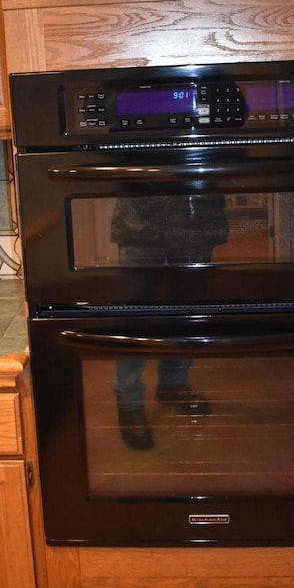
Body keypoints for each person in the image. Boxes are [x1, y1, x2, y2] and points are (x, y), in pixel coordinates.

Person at [111, 193, 229, 450]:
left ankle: (173, 384)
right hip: (139, 210)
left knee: (187, 307)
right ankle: (129, 400)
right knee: (136, 311)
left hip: (197, 209)